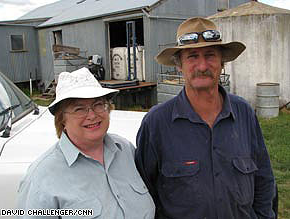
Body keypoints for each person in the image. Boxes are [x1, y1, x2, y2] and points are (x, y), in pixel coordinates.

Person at [135, 17, 276, 219]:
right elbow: (143, 192)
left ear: (222, 63)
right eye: (192, 57)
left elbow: (264, 179)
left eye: (210, 55)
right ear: (179, 66)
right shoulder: (156, 123)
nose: (202, 66)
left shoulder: (244, 112)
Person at [17, 67, 155, 218]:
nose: (92, 115)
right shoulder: (42, 176)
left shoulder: (125, 149)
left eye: (98, 105)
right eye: (79, 109)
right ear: (62, 119)